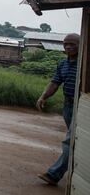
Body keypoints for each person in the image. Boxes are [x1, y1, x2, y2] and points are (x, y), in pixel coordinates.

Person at [36, 33, 81, 186]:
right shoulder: (63, 64)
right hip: (68, 107)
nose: (68, 47)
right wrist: (43, 96)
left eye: (73, 44)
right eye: (66, 44)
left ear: (81, 45)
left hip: (81, 107)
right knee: (78, 142)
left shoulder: (85, 64)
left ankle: (53, 174)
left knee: (70, 141)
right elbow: (55, 83)